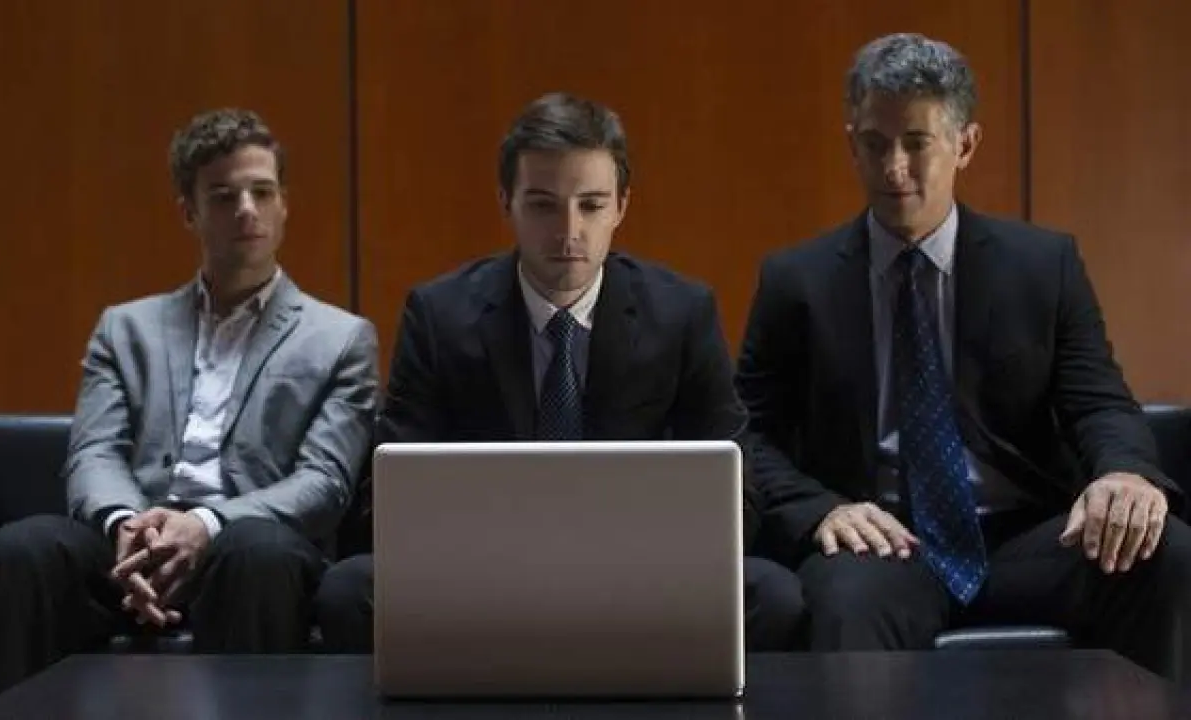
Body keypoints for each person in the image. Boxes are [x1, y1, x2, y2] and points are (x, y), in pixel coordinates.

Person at [736, 32, 1191, 678]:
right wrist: (823, 511)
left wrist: (1125, 473)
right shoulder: (796, 282)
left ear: (966, 144)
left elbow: (1099, 402)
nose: (894, 168)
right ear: (852, 144)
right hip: (881, 542)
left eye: (916, 142)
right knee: (842, 600)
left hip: (1026, 535)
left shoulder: (1043, 266)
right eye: (875, 143)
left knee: (1165, 554)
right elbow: (749, 434)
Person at [315, 92, 807, 653]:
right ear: (506, 202)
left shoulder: (681, 312)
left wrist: (649, 549)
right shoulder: (439, 314)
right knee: (348, 590)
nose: (569, 231)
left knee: (774, 597)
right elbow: (389, 494)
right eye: (543, 205)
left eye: (591, 205)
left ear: (621, 206)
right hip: (484, 570)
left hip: (638, 569)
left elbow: (738, 487)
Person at [0, 108, 380, 699]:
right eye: (224, 196)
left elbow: (325, 481)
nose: (247, 210)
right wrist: (127, 525)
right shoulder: (126, 328)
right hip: (132, 540)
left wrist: (205, 525)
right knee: (21, 549)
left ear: (284, 204)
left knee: (255, 552)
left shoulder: (340, 338)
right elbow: (94, 452)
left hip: (249, 544)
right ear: (189, 211)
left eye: (262, 192)